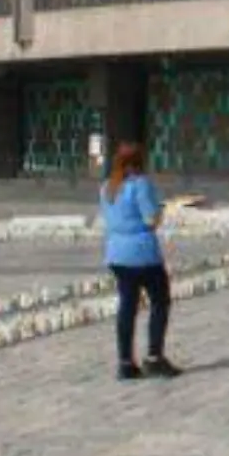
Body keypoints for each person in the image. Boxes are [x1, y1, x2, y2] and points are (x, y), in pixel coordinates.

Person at [100, 143, 180, 380]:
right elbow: (151, 219)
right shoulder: (140, 184)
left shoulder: (107, 187)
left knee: (127, 305)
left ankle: (125, 362)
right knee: (160, 301)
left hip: (116, 253)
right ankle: (154, 357)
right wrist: (160, 211)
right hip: (142, 253)